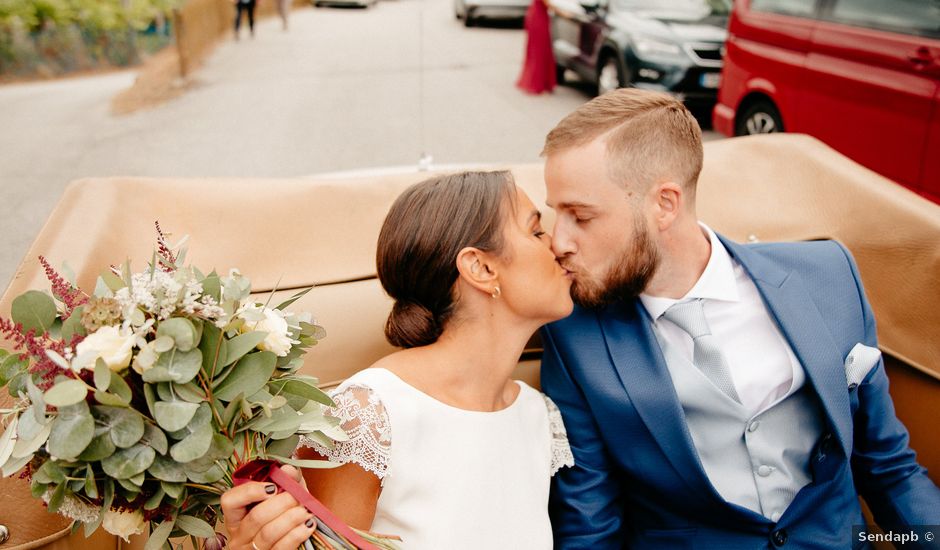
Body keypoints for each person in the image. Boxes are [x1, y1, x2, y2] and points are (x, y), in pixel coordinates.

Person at [539, 88, 940, 548]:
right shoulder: (575, 335)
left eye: (581, 217)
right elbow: (591, 524)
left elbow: (888, 470)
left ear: (664, 204)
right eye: (556, 215)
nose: (559, 241)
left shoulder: (827, 275)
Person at [221, 171, 575, 549]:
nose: (559, 245)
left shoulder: (539, 414)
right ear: (480, 268)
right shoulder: (370, 414)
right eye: (536, 231)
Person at [516, 0, 556, 95]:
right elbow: (548, 4)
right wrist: (565, 13)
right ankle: (536, 83)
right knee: (539, 52)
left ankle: (544, 82)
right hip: (538, 19)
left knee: (541, 50)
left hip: (538, 16)